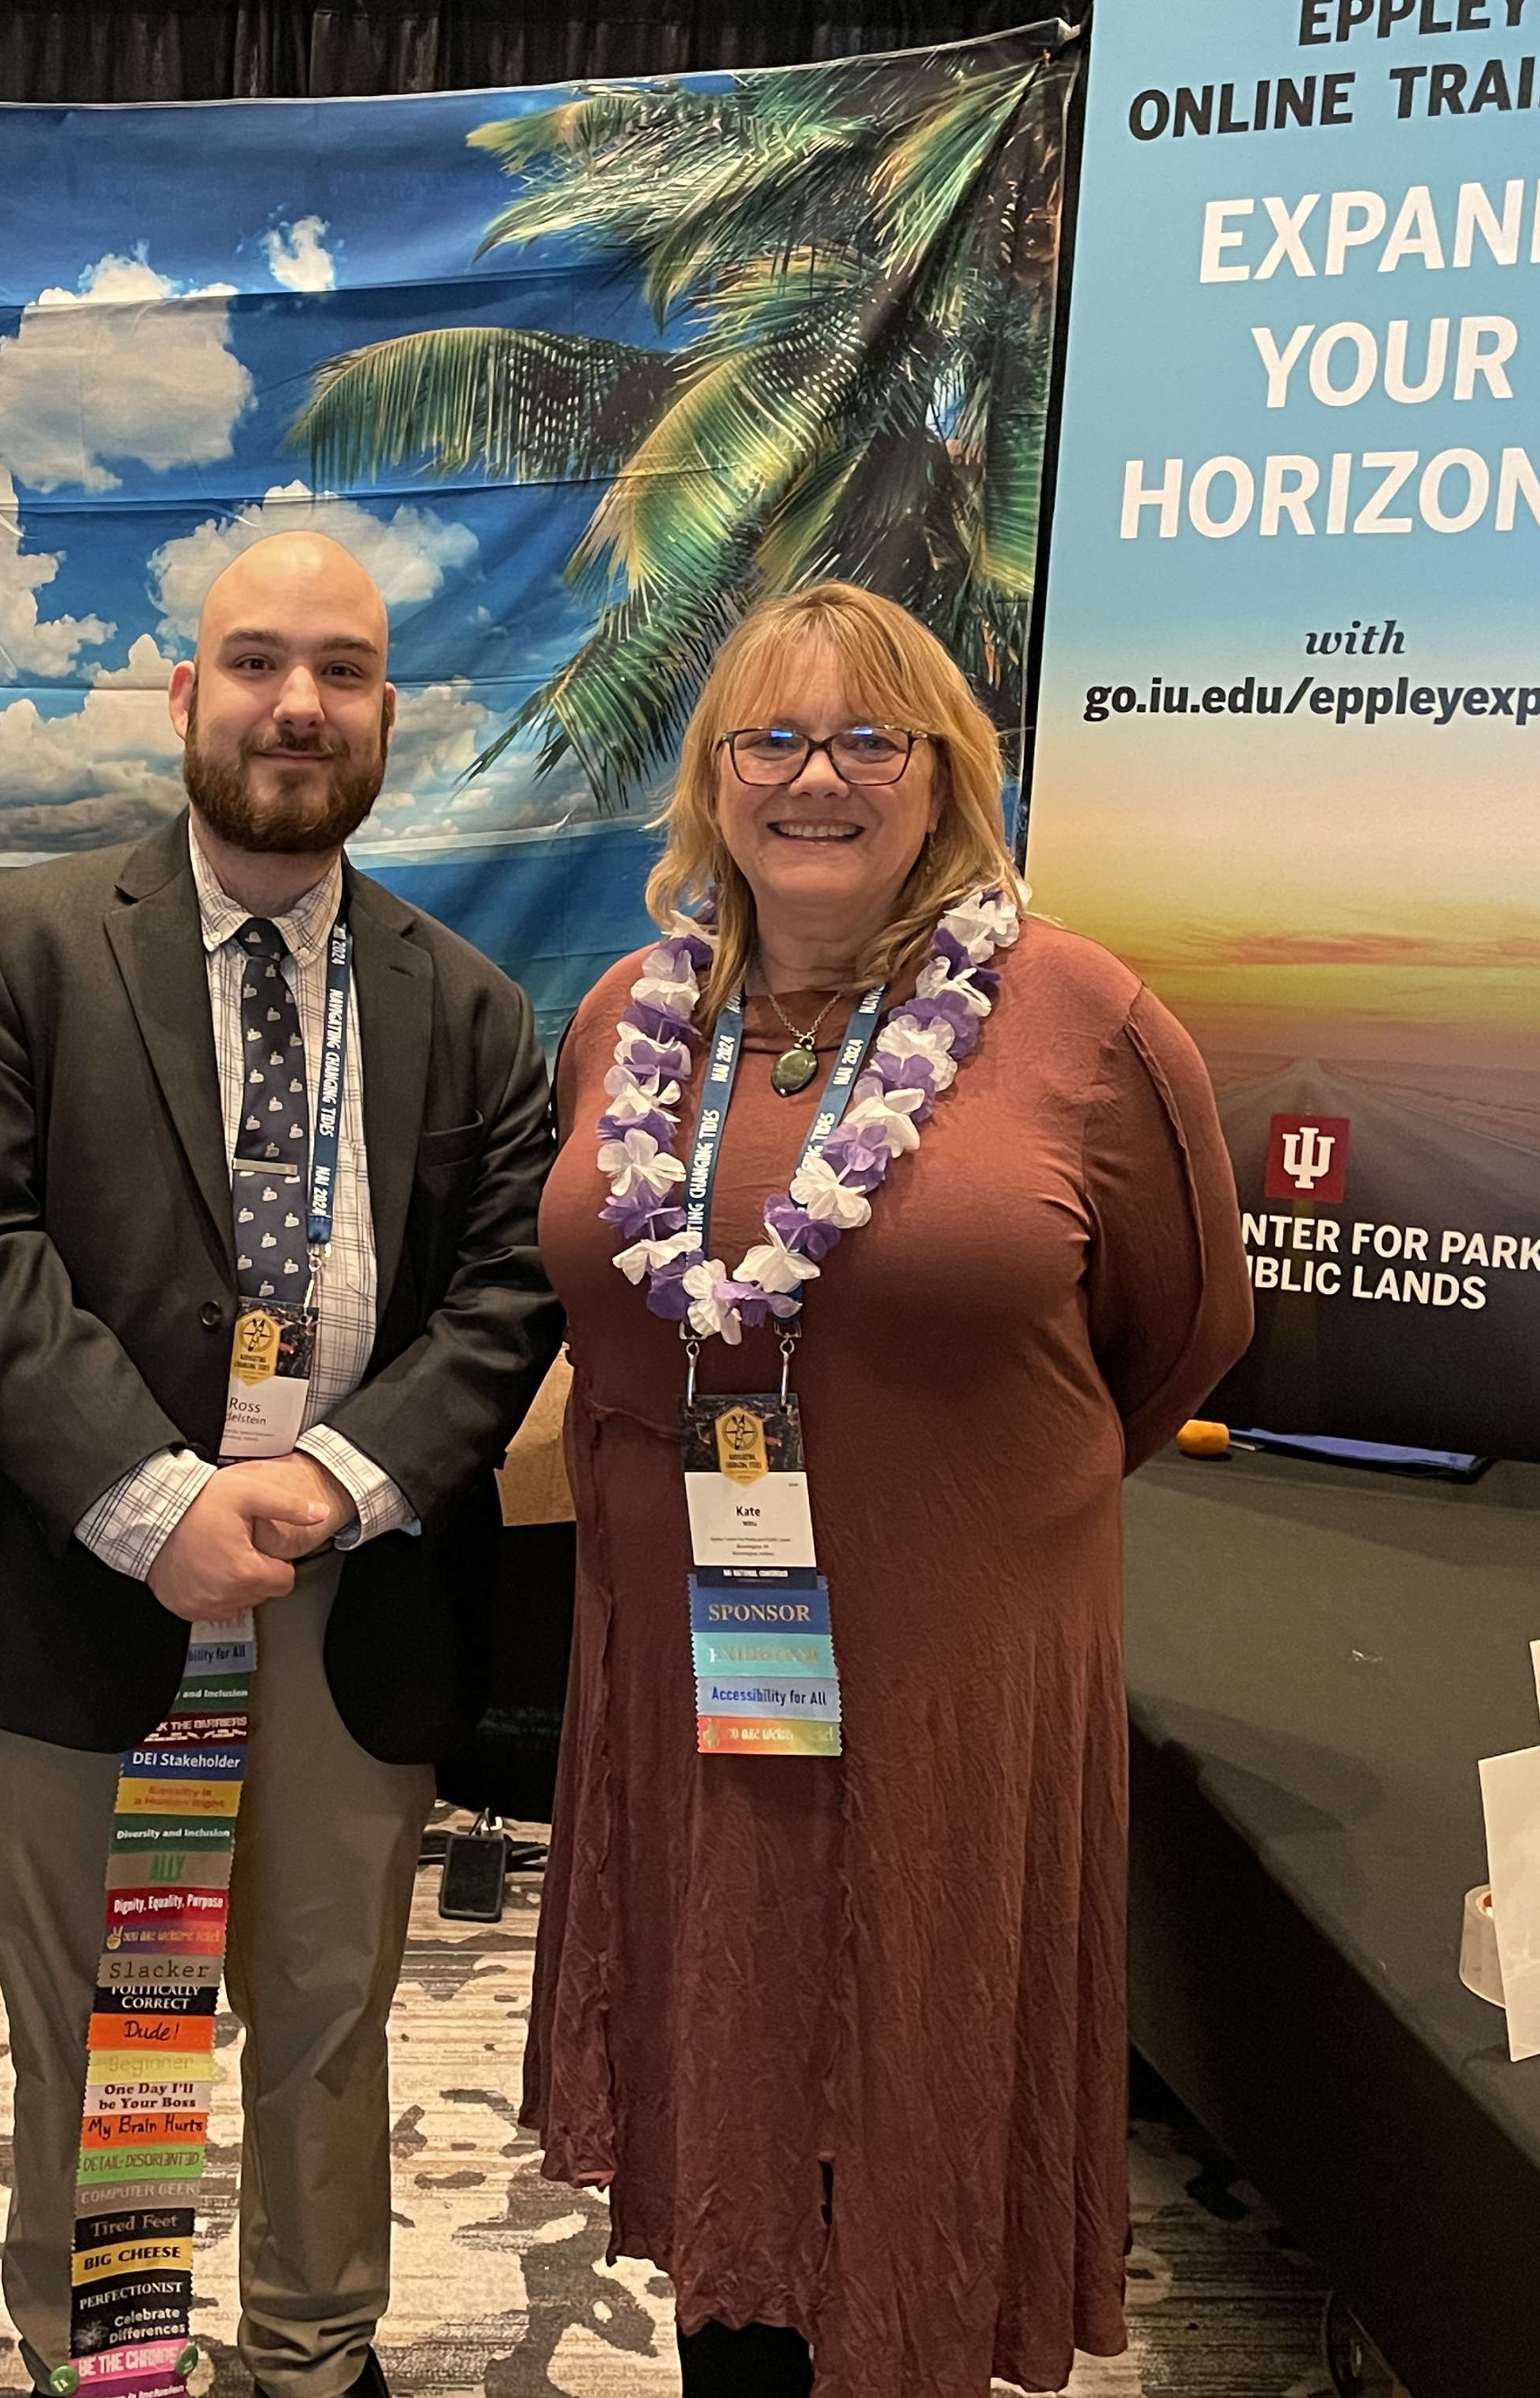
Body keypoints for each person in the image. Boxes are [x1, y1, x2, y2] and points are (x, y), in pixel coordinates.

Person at [525, 582, 1251, 2398]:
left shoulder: (1077, 1015)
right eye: (771, 737)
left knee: (912, 2101)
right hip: (698, 1662)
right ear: (713, 779)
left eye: (871, 737)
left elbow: (1181, 1333)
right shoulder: (633, 1014)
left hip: (950, 1678)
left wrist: (966, 1504)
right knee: (738, 2091)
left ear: (946, 776)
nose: (817, 776)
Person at [0, 532, 563, 2398]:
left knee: (329, 2013)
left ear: (387, 716)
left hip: (351, 1597)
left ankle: (310, 2354)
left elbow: (510, 1297)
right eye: (257, 663)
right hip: (83, 1584)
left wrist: (333, 1484)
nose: (300, 704)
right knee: (106, 2027)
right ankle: (103, 2361)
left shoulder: (471, 1003)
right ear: (185, 696)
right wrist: (161, 1504)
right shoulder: (20, 946)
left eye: (342, 671)